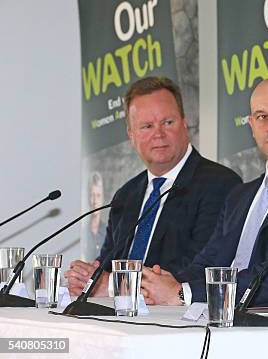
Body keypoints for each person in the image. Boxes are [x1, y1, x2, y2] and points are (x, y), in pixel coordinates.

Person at [140, 75, 268, 307]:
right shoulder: (240, 196)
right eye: (261, 117)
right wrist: (163, 284)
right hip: (220, 322)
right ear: (251, 125)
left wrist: (183, 293)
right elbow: (207, 262)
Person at [65, 76, 242, 296]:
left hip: (179, 323)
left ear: (185, 124)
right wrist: (88, 277)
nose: (158, 134)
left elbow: (200, 268)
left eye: (168, 123)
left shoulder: (220, 184)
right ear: (132, 136)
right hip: (124, 318)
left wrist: (111, 286)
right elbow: (109, 262)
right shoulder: (126, 194)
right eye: (147, 126)